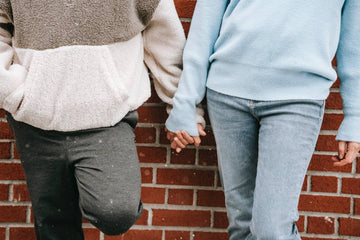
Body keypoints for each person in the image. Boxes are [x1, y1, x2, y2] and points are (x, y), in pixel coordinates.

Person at [0, 0, 204, 239]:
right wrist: (13, 92)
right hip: (36, 121)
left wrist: (183, 109)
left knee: (116, 211)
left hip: (107, 120)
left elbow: (165, 40)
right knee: (54, 224)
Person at [165, 0, 360, 239]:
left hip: (297, 98)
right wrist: (185, 104)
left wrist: (355, 116)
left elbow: (355, 46)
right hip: (227, 93)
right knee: (242, 225)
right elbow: (204, 28)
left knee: (272, 229)